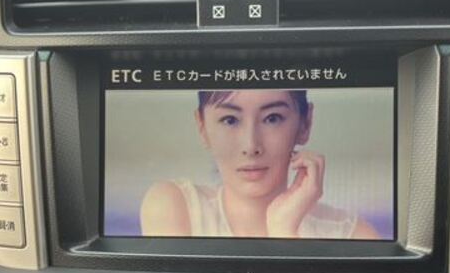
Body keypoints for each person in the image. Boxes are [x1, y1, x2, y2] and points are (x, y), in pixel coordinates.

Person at [139, 89, 381, 239]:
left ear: (305, 123)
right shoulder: (174, 207)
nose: (251, 146)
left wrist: (284, 231)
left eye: (272, 118)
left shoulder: (353, 236)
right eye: (230, 120)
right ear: (202, 127)